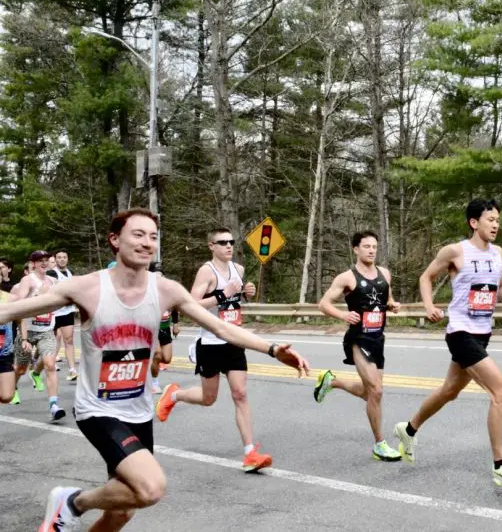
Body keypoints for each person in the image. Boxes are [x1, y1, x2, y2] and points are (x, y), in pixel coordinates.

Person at [0, 208, 309, 531]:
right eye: (138, 234)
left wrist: (272, 349)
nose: (148, 243)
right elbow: (10, 312)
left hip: (139, 409)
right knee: (150, 488)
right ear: (115, 240)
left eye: (153, 236)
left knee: (124, 509)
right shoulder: (87, 288)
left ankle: (71, 508)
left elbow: (222, 329)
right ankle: (72, 502)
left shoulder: (165, 290)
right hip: (99, 409)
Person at [392, 198, 502, 491]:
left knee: (449, 391)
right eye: (490, 220)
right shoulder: (456, 251)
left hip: (483, 332)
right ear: (474, 223)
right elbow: (426, 277)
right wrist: (429, 306)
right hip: (460, 331)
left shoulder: (498, 253)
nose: (496, 225)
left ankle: (408, 429)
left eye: (497, 220)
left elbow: (501, 288)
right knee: (501, 392)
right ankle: (500, 466)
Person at [155, 228, 272, 472]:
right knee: (209, 399)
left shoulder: (238, 270)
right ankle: (174, 395)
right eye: (222, 242)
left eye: (231, 241)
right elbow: (189, 305)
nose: (229, 246)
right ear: (211, 246)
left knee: (240, 394)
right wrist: (222, 294)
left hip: (234, 340)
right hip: (210, 342)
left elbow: (236, 300)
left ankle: (250, 453)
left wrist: (245, 293)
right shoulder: (206, 272)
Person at [314, 231, 402, 461]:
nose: (371, 250)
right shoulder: (347, 278)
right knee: (377, 390)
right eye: (366, 246)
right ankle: (379, 444)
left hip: (378, 338)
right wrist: (343, 316)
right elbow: (323, 304)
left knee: (369, 393)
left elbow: (387, 298)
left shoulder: (385, 274)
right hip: (358, 338)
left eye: (374, 246)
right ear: (356, 249)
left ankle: (332, 381)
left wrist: (392, 305)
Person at [12, 250, 65, 421]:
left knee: (50, 365)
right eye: (39, 260)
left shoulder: (54, 281)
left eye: (46, 260)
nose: (44, 263)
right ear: (33, 263)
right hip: (27, 331)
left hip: (46, 331)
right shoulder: (27, 280)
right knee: (20, 368)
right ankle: (12, 388)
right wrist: (38, 296)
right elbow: (19, 305)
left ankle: (54, 405)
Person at [47, 249, 78, 381]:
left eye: (64, 257)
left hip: (67, 311)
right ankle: (40, 365)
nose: (62, 259)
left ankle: (72, 370)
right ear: (55, 259)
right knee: (51, 341)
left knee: (69, 339)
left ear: (68, 259)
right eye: (59, 257)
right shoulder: (51, 273)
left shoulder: (71, 273)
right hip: (54, 312)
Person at [149, 266, 179, 395]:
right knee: (157, 354)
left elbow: (175, 308)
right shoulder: (146, 293)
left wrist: (176, 325)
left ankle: (148, 365)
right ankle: (153, 383)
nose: (159, 280)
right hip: (151, 330)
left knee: (166, 359)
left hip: (165, 329)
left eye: (161, 277)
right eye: (155, 277)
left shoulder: (169, 294)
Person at [1, 287, 14, 404]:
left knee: (7, 396)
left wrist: (24, 339)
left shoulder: (9, 298)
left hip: (4, 352)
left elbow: (20, 319)